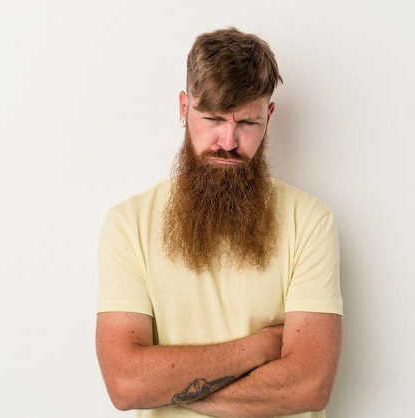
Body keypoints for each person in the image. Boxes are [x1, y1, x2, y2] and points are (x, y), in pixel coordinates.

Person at [96, 27, 343, 418]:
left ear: (269, 116)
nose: (228, 141)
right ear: (183, 108)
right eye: (211, 118)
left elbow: (309, 385)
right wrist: (259, 349)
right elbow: (126, 384)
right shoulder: (128, 224)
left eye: (247, 123)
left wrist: (164, 387)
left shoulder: (311, 221)